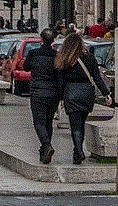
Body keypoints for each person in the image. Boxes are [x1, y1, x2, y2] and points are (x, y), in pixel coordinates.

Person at [56, 32, 113, 165]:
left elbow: (61, 81)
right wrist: (106, 94)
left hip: (71, 92)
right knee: (82, 123)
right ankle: (78, 151)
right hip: (86, 92)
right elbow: (97, 78)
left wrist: (60, 98)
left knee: (74, 124)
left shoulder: (65, 60)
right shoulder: (90, 58)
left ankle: (78, 151)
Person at [25, 28, 61, 164]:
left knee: (39, 122)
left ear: (41, 39)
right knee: (48, 122)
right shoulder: (56, 55)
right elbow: (60, 75)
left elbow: (26, 67)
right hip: (53, 93)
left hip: (37, 92)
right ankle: (45, 150)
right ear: (53, 41)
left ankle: (46, 145)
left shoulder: (33, 53)